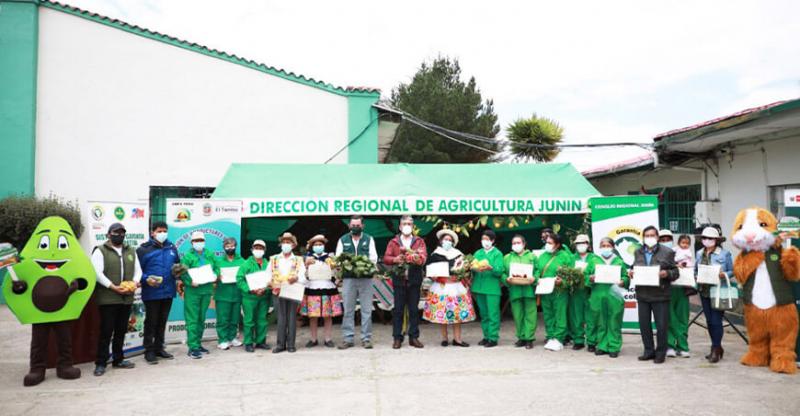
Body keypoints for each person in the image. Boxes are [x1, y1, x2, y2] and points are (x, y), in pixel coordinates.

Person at [91, 223, 141, 376]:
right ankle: (101, 362)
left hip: (126, 297)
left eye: (122, 233)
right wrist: (113, 286)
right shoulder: (100, 251)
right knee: (106, 332)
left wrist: (135, 282)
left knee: (121, 330)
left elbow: (138, 270)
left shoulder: (131, 250)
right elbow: (97, 273)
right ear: (108, 234)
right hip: (108, 298)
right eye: (116, 232)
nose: (119, 235)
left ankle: (118, 359)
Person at [630, 226, 679, 364]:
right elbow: (635, 267)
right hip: (643, 294)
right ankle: (648, 351)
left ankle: (660, 353)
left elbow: (676, 272)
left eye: (652, 235)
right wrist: (632, 272)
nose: (650, 238)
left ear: (657, 237)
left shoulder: (667, 252)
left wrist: (666, 274)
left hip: (660, 294)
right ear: (643, 238)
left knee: (662, 326)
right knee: (644, 325)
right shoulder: (638, 252)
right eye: (647, 235)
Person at [136, 221, 180, 364]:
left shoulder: (172, 247)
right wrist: (145, 279)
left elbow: (177, 266)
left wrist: (179, 272)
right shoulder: (143, 250)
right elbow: (136, 271)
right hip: (151, 292)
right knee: (151, 322)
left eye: (165, 231)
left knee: (162, 321)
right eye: (159, 231)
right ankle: (149, 350)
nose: (163, 233)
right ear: (152, 233)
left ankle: (159, 348)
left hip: (168, 291)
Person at [423, 229, 475, 347]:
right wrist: (437, 278)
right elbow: (428, 270)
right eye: (445, 239)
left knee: (457, 313)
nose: (448, 241)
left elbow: (466, 270)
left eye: (450, 240)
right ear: (441, 241)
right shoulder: (435, 254)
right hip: (441, 287)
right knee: (443, 313)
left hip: (456, 287)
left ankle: (457, 339)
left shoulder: (458, 254)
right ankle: (444, 338)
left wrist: (461, 276)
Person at [384, 215, 428, 349]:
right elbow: (386, 257)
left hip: (414, 279)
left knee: (414, 310)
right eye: (404, 223)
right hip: (399, 279)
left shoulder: (419, 241)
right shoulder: (394, 242)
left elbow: (424, 258)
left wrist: (416, 258)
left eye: (409, 223)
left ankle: (413, 337)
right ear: (400, 226)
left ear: (413, 226)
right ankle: (397, 338)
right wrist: (395, 259)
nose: (407, 226)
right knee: (398, 310)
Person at [336, 215, 379, 349]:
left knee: (367, 310)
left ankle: (366, 338)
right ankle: (348, 338)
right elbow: (338, 258)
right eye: (353, 225)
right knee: (348, 310)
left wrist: (363, 266)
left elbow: (373, 258)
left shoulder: (369, 239)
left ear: (362, 226)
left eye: (358, 225)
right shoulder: (343, 240)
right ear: (349, 226)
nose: (355, 227)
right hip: (349, 279)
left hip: (366, 279)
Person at [695, 226, 734, 363]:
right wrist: (695, 276)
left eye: (710, 238)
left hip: (718, 291)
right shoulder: (699, 253)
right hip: (704, 291)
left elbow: (732, 271)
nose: (707, 240)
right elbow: (696, 269)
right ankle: (717, 347)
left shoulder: (725, 254)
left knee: (716, 321)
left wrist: (724, 274)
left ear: (716, 240)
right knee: (709, 321)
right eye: (704, 238)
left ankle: (715, 349)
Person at [585, 237, 629, 357]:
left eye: (608, 245)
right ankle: (602, 345)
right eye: (603, 245)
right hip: (598, 295)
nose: (605, 248)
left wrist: (623, 281)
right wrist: (590, 278)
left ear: (613, 247)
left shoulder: (619, 261)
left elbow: (626, 277)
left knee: (614, 320)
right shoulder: (594, 260)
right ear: (599, 247)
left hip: (614, 296)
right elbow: (586, 276)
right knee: (600, 320)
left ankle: (614, 346)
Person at [180, 231, 219, 359]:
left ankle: (198, 343)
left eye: (201, 240)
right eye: (196, 241)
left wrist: (215, 275)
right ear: (192, 243)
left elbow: (217, 267)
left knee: (201, 319)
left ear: (204, 241)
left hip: (206, 290)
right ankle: (192, 347)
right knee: (193, 319)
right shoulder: (187, 256)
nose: (199, 243)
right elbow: (182, 272)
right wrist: (190, 282)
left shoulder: (210, 254)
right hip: (193, 292)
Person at [267, 232, 307, 353]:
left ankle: (291, 344)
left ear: (293, 245)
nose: (286, 244)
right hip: (277, 291)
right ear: (280, 244)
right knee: (281, 318)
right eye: (284, 242)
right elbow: (267, 274)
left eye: (288, 242)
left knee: (291, 317)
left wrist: (296, 278)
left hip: (292, 291)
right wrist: (269, 283)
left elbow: (304, 277)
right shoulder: (273, 258)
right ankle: (280, 345)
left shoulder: (298, 260)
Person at [303, 234, 342, 348]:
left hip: (327, 287)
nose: (318, 246)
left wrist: (337, 274)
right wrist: (305, 265)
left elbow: (337, 271)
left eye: (320, 244)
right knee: (313, 315)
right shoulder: (307, 258)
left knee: (327, 315)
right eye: (316, 245)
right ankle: (313, 339)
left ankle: (328, 338)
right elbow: (301, 272)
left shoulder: (330, 258)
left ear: (324, 246)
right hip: (312, 287)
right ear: (312, 246)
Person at [539, 233, 575, 351]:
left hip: (559, 291)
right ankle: (550, 336)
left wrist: (563, 281)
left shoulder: (565, 256)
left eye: (550, 243)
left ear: (557, 244)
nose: (547, 245)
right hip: (545, 290)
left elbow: (572, 276)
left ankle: (559, 338)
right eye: (546, 243)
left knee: (560, 314)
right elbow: (536, 270)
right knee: (548, 314)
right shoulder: (542, 256)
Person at [470, 230, 505, 347]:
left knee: (493, 314)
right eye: (483, 239)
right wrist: (473, 268)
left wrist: (491, 268)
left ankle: (493, 338)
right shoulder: (478, 253)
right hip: (479, 288)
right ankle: (486, 336)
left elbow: (500, 271)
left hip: (492, 288)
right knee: (483, 314)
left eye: (488, 239)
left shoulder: (497, 254)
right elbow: (472, 267)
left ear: (493, 241)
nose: (485, 242)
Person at [502, 234, 537, 349]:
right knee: (518, 315)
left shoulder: (532, 256)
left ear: (524, 244)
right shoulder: (507, 257)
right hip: (514, 290)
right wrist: (506, 279)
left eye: (518, 242)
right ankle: (521, 337)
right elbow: (502, 273)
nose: (516, 245)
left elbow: (538, 270)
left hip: (528, 290)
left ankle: (529, 338)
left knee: (530, 315)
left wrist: (534, 278)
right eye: (514, 243)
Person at [236, 240, 272, 352]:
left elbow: (272, 279)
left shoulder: (269, 265)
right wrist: (249, 290)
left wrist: (265, 289)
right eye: (256, 248)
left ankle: (261, 341)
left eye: (261, 248)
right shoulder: (245, 264)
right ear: (252, 249)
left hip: (264, 297)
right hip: (249, 297)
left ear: (265, 250)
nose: (258, 250)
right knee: (249, 321)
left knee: (262, 320)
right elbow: (239, 279)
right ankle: (248, 342)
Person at [667, 233, 695, 359]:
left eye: (687, 243)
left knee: (683, 318)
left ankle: (683, 347)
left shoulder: (690, 254)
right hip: (670, 287)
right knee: (670, 318)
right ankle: (670, 346)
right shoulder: (672, 252)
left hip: (684, 288)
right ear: (678, 242)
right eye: (683, 242)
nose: (685, 245)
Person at [215, 237, 244, 350]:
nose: (230, 248)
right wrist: (217, 277)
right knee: (223, 319)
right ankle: (222, 340)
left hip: (237, 294)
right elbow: (214, 276)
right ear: (224, 248)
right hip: (222, 294)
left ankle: (232, 338)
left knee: (234, 319)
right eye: (227, 246)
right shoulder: (218, 262)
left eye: (232, 246)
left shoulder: (242, 261)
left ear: (235, 247)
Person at [569, 234, 595, 350]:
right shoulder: (571, 258)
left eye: (583, 243)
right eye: (578, 244)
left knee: (591, 317)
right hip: (576, 291)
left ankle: (591, 341)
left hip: (590, 291)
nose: (581, 246)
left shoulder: (594, 258)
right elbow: (567, 273)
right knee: (577, 316)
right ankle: (578, 340)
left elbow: (597, 273)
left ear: (588, 244)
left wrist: (589, 278)